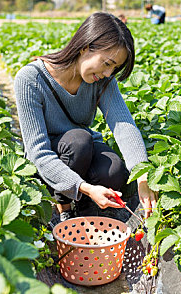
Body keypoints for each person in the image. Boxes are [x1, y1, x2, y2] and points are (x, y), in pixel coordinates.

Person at [14, 12, 157, 224]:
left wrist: (143, 176)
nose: (109, 73)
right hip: (46, 163)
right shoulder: (30, 79)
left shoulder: (101, 81)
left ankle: (84, 207)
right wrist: (87, 188)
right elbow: (38, 153)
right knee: (78, 141)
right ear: (85, 47)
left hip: (82, 149)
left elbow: (123, 125)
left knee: (114, 171)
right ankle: (62, 209)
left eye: (114, 68)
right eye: (107, 63)